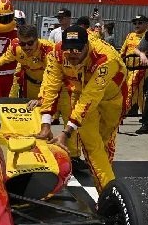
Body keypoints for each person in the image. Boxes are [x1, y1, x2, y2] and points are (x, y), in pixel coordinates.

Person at [32, 27, 128, 191]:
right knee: (92, 148)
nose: (72, 53)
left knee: (105, 143)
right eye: (68, 48)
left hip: (111, 99)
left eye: (77, 49)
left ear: (87, 46)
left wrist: (67, 131)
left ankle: (109, 185)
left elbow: (90, 97)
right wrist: (45, 124)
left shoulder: (105, 58)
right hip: (79, 92)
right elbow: (50, 86)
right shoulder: (57, 53)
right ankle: (108, 195)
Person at [0, 23, 53, 99]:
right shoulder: (15, 47)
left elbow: (51, 76)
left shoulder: (48, 50)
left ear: (37, 40)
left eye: (30, 43)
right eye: (22, 43)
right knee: (30, 107)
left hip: (49, 85)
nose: (26, 47)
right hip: (30, 84)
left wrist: (42, 97)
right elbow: (5, 58)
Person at [119, 15, 148, 118]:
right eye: (135, 23)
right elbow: (123, 51)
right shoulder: (130, 36)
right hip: (128, 68)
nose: (137, 25)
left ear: (146, 24)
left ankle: (123, 112)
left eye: (140, 23)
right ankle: (145, 113)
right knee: (138, 92)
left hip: (141, 69)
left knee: (130, 88)